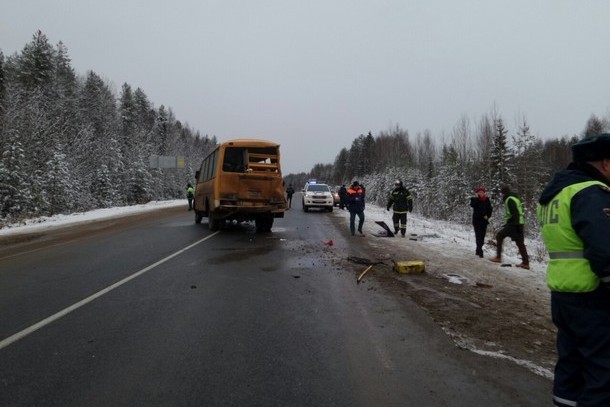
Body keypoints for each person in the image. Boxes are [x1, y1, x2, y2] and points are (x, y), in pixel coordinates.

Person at [537, 134, 610, 407]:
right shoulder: (591, 192)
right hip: (593, 297)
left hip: (563, 294)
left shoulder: (554, 193)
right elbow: (605, 249)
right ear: (605, 163)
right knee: (603, 373)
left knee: (570, 366)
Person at [489, 185, 529, 269]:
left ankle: (498, 257)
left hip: (514, 224)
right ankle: (526, 263)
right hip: (519, 223)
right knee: (520, 243)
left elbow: (515, 213)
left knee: (499, 236)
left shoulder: (509, 199)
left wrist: (514, 224)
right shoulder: (515, 198)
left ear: (503, 193)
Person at [470, 186, 493, 257]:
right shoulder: (474, 199)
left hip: (484, 221)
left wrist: (488, 216)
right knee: (478, 235)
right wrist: (477, 198)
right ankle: (480, 251)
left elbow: (490, 209)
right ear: (477, 193)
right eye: (479, 192)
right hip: (476, 221)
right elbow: (472, 205)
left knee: (482, 236)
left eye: (482, 192)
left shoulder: (487, 200)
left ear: (484, 193)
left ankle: (478, 249)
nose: (481, 193)